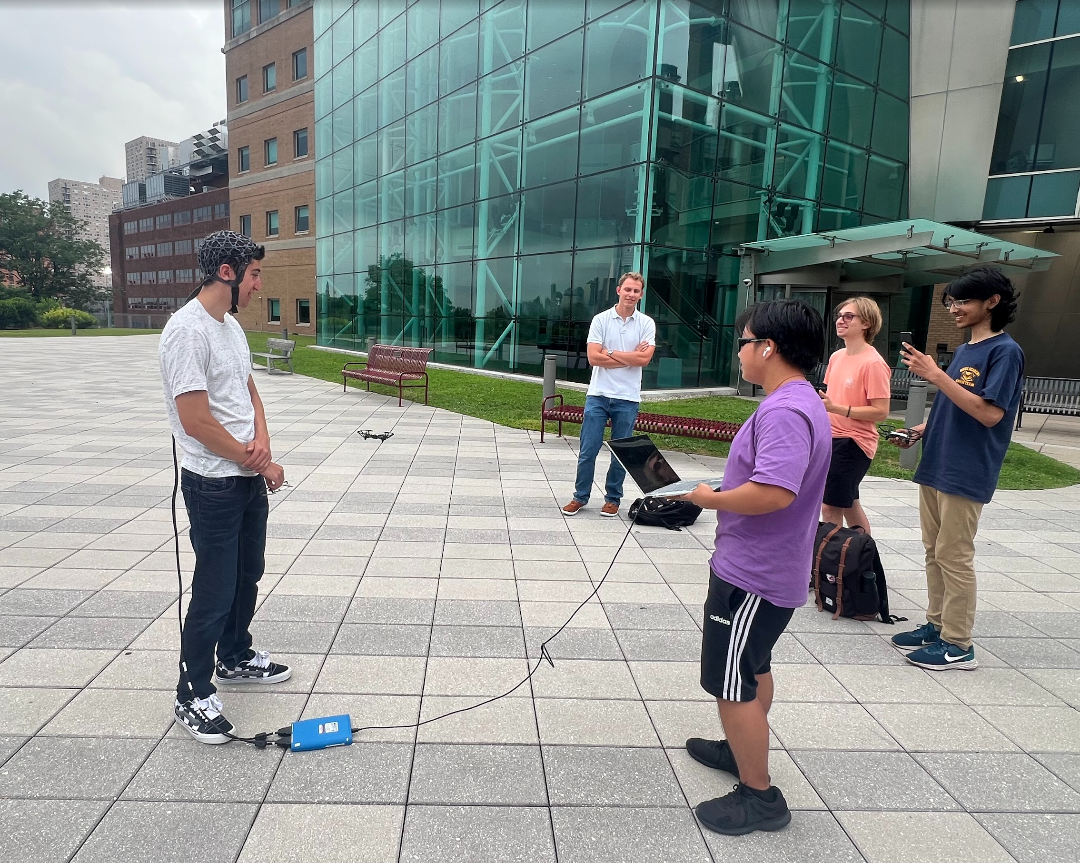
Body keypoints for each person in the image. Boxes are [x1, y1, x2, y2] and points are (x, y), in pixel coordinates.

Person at [681, 299, 831, 836]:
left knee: (731, 681)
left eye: (744, 341)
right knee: (754, 665)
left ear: (768, 347)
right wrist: (719, 493)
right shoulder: (798, 400)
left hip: (753, 576)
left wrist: (707, 498)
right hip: (768, 571)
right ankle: (739, 748)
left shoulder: (786, 410)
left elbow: (772, 492)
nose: (739, 351)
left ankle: (760, 796)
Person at [159, 230, 290, 744]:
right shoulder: (186, 332)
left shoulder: (229, 327)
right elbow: (195, 420)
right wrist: (255, 458)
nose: (259, 285)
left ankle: (234, 655)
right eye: (254, 274)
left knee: (247, 573)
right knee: (213, 589)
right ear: (228, 274)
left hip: (245, 474)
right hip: (212, 482)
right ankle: (191, 692)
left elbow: (249, 390)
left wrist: (261, 442)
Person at [890, 266, 1024, 670]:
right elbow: (956, 404)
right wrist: (922, 428)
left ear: (992, 302)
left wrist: (934, 375)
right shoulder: (966, 350)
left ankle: (958, 644)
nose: (954, 309)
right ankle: (937, 625)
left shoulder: (1005, 351)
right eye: (950, 302)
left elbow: (989, 414)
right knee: (934, 551)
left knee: (955, 553)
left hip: (967, 468)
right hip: (937, 462)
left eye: (962, 301)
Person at [561, 272, 655, 518]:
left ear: (641, 294)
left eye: (636, 291)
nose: (631, 294)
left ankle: (613, 499)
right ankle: (580, 497)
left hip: (628, 397)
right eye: (628, 290)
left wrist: (610, 352)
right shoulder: (601, 320)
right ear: (618, 290)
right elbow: (593, 358)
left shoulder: (646, 323)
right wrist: (629, 357)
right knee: (587, 450)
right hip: (599, 395)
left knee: (621, 452)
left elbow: (644, 359)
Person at [819, 296, 892, 533]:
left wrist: (838, 409)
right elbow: (831, 398)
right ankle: (862, 562)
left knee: (829, 507)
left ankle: (830, 565)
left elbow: (881, 412)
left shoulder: (873, 363)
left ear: (866, 323)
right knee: (849, 504)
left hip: (854, 442)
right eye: (839, 316)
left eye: (848, 316)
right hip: (830, 438)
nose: (841, 320)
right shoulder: (836, 357)